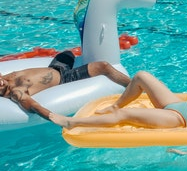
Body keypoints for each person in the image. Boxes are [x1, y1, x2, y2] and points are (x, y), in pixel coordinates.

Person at [49, 71, 187, 139]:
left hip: (178, 118)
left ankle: (73, 121)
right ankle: (115, 106)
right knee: (141, 76)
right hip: (175, 104)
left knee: (128, 115)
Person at [0, 50, 130, 120]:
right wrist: (61, 120)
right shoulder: (16, 91)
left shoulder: (4, 78)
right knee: (103, 66)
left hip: (56, 67)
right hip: (65, 78)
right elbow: (34, 106)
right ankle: (134, 87)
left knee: (67, 53)